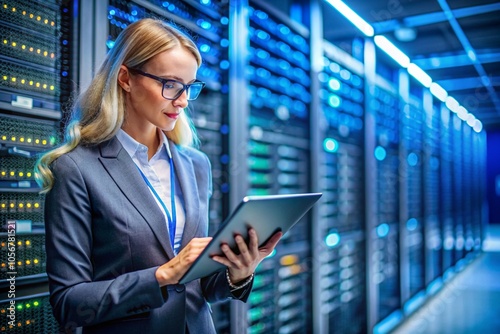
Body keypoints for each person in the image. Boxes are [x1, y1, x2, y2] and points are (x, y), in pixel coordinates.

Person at [35, 18, 282, 334]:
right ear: (125, 78)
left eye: (189, 87)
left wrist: (241, 270)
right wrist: (163, 275)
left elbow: (202, 288)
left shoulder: (195, 164)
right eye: (170, 84)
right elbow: (69, 303)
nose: (182, 101)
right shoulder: (77, 168)